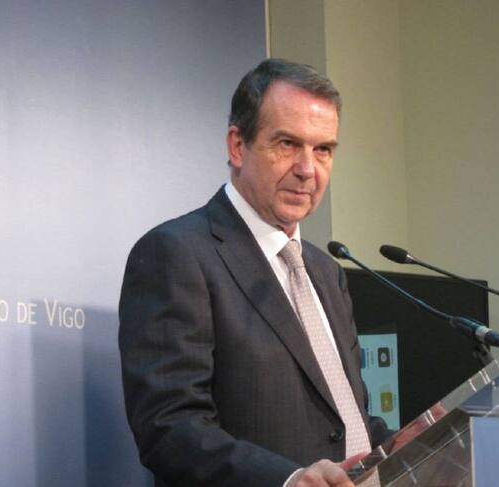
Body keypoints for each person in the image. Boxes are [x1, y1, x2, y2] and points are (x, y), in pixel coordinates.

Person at [119, 59, 394, 487]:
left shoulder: (326, 271)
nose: (308, 169)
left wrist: (413, 445)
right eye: (287, 143)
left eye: (323, 150)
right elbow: (169, 427)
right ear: (237, 145)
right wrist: (288, 479)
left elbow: (346, 417)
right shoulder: (177, 253)